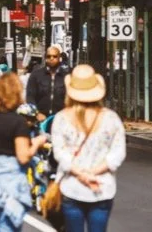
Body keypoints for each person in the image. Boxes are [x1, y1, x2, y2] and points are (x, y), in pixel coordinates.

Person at [51, 65, 126, 232]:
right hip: (102, 187)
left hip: (72, 186)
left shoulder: (61, 118)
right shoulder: (111, 118)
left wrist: (81, 174)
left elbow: (60, 153)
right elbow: (118, 153)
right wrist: (94, 172)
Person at [0, 72, 49, 232]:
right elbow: (23, 157)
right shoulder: (18, 122)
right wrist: (36, 143)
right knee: (7, 226)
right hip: (10, 182)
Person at [27, 45, 69, 121]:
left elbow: (69, 98)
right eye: (48, 56)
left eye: (55, 56)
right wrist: (36, 113)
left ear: (59, 58)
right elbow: (30, 96)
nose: (51, 58)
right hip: (40, 118)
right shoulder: (36, 75)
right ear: (45, 58)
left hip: (61, 118)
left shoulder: (66, 76)